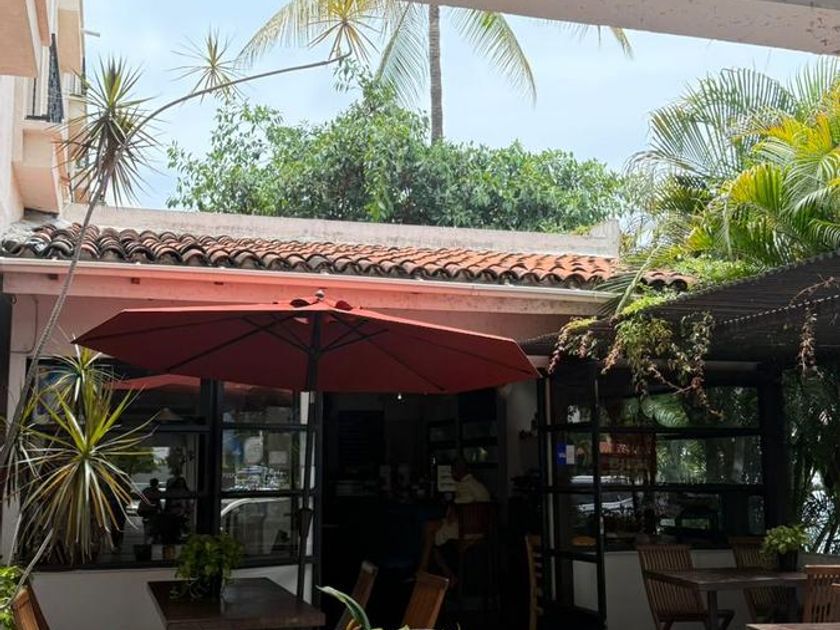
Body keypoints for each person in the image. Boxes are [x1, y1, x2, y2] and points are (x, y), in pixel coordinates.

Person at [421, 458, 490, 584]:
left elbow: (463, 504)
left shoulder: (466, 485)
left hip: (466, 528)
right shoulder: (476, 485)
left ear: (456, 471)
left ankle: (427, 569)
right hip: (472, 527)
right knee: (430, 532)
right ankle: (441, 572)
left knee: (429, 533)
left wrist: (453, 506)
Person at [137, 478, 162, 543]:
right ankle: (151, 536)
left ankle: (147, 536)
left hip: (143, 510)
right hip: (151, 510)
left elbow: (141, 497)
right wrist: (161, 510)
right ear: (157, 484)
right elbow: (158, 502)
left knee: (147, 523)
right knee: (153, 523)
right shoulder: (157, 491)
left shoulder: (146, 490)